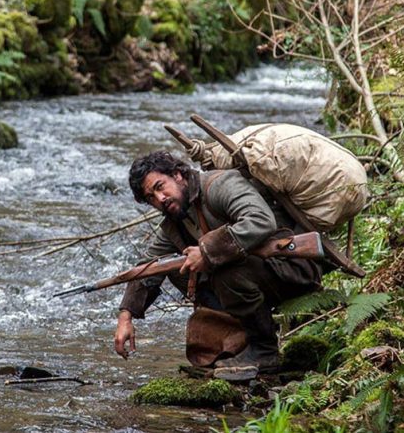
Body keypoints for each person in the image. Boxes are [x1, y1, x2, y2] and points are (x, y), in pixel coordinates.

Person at [113, 150, 325, 379]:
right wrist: (126, 316)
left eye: (159, 186)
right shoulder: (176, 221)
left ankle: (265, 351)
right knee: (177, 268)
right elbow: (150, 266)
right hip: (260, 276)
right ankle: (239, 343)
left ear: (177, 175)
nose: (160, 199)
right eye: (151, 198)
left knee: (225, 270)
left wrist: (206, 251)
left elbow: (260, 220)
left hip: (293, 268)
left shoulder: (219, 185)